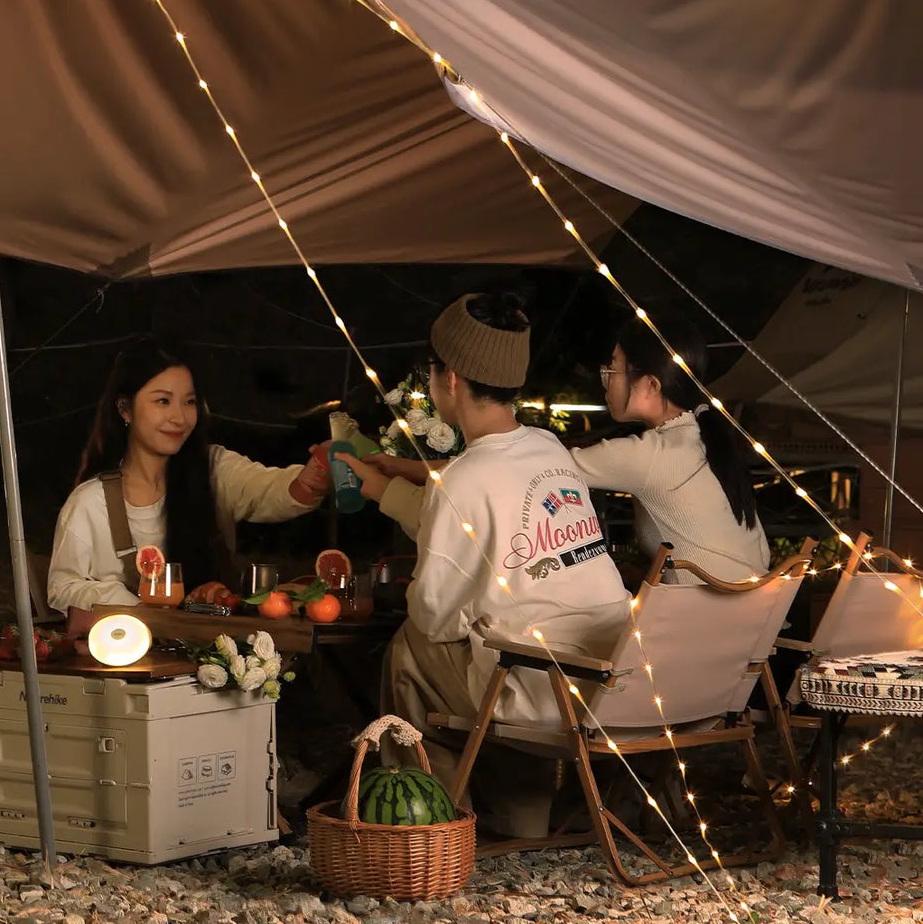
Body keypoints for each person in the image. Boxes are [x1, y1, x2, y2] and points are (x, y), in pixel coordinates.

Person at [343, 292, 631, 837]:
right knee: (502, 639)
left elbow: (434, 614)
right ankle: (519, 810)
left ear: (449, 379)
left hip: (538, 693)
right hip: (608, 678)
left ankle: (425, 821)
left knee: (415, 646)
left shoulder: (463, 480)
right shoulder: (548, 449)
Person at [47, 336, 331, 613]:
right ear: (125, 409)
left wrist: (315, 474)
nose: (179, 418)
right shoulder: (91, 502)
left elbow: (272, 490)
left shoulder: (214, 469)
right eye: (162, 401)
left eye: (189, 402)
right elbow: (61, 589)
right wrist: (130, 601)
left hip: (216, 649)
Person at [572, 315, 769, 584]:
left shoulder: (652, 454)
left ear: (651, 385)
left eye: (612, 370)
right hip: (755, 617)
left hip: (694, 622)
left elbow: (543, 467)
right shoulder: (708, 442)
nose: (605, 382)